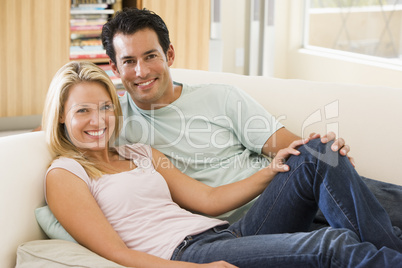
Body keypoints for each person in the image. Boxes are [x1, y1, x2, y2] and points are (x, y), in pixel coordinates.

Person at [42, 60, 402, 267]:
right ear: (60, 117)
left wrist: (273, 169)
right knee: (330, 244)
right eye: (82, 111)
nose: (98, 120)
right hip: (189, 254)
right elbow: (116, 253)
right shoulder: (65, 174)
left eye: (105, 107)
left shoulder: (139, 152)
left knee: (314, 151)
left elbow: (209, 200)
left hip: (228, 231)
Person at [101, 7, 402, 226]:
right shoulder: (113, 127)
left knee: (332, 167)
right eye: (128, 61)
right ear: (114, 69)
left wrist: (327, 156)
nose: (141, 71)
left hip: (288, 189)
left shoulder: (220, 97)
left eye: (150, 56)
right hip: (251, 221)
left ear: (169, 55)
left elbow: (289, 147)